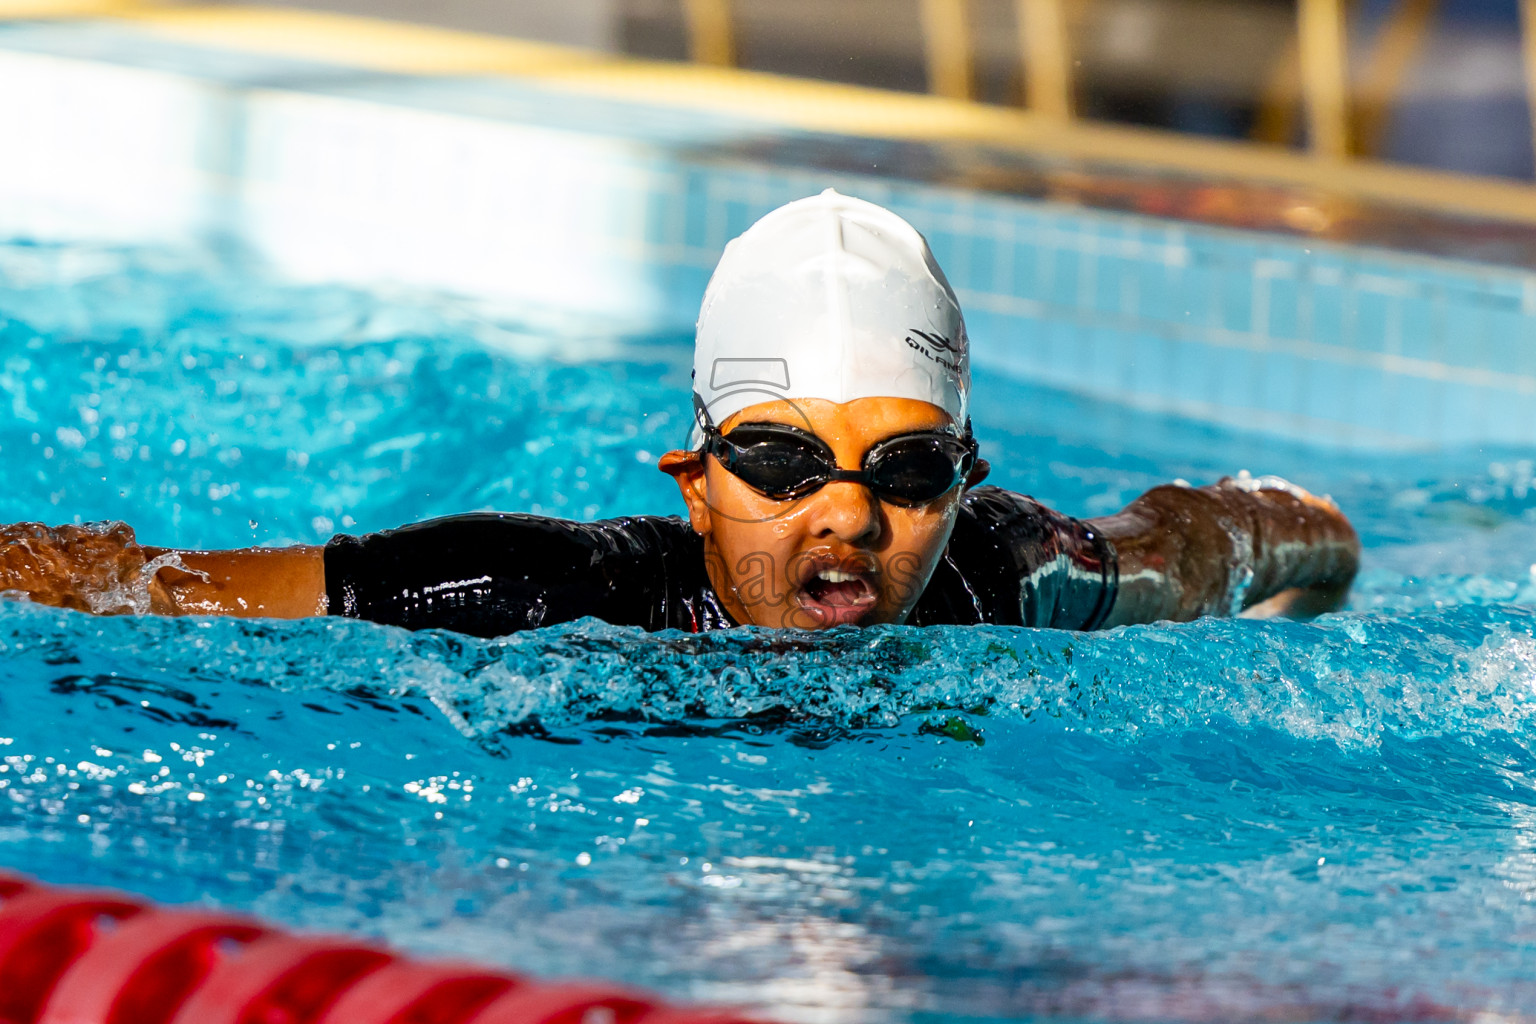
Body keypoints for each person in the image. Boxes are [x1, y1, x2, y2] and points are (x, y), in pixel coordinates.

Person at [0, 191, 1359, 636]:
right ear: (693, 476)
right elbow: (140, 585)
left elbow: (1222, 534)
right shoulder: (552, 591)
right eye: (781, 462)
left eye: (905, 466)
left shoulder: (1012, 571)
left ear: (964, 483)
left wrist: (1317, 552)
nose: (847, 511)